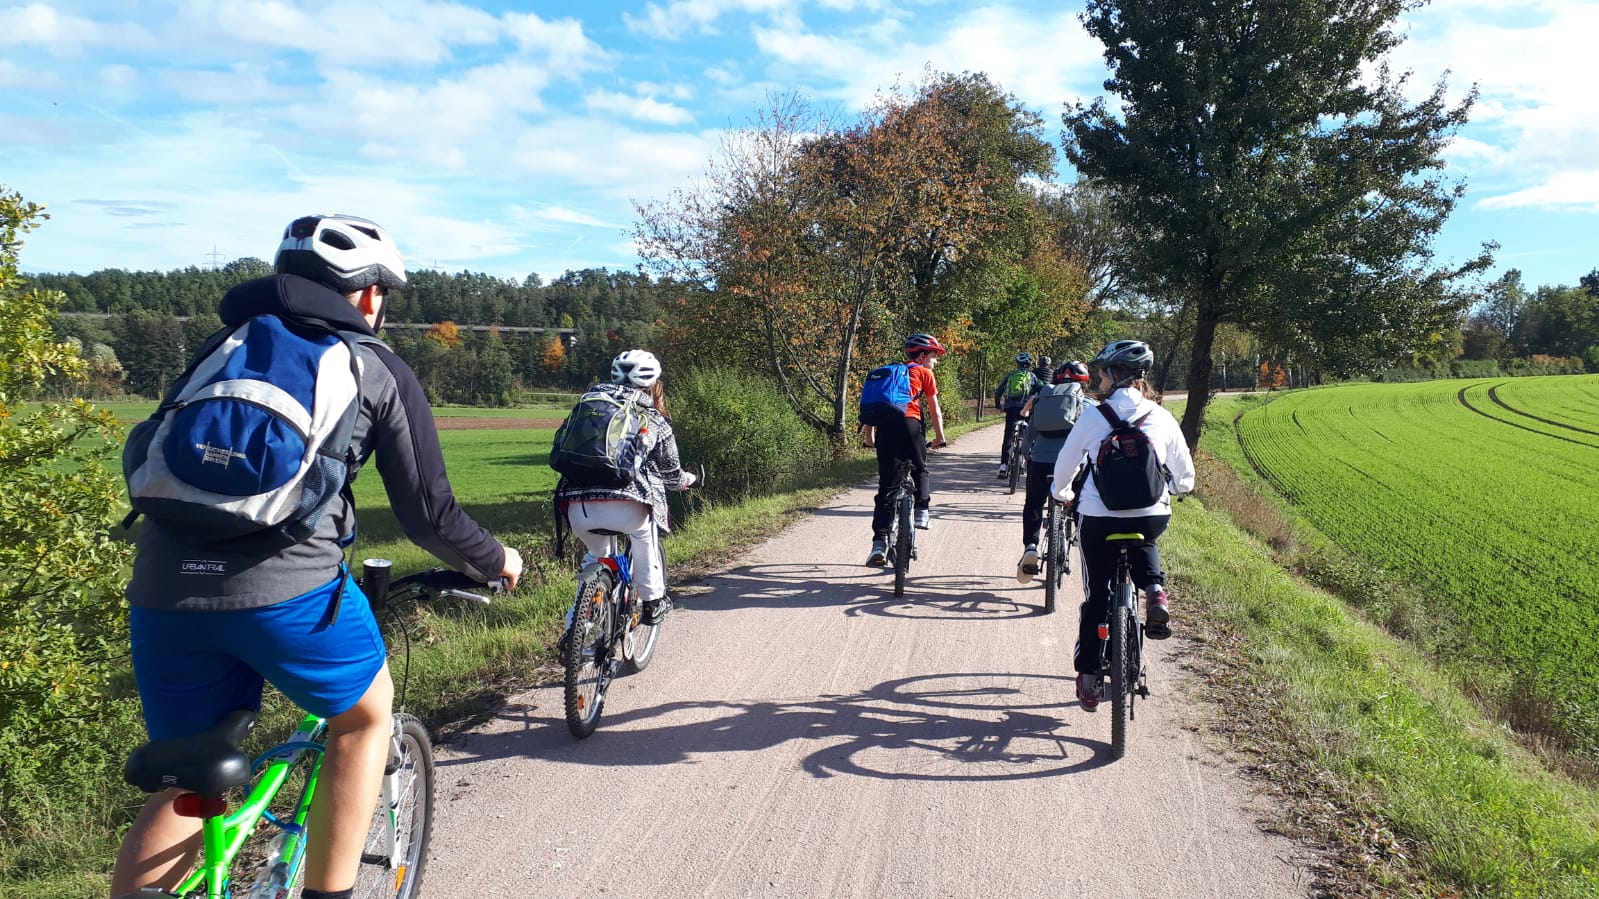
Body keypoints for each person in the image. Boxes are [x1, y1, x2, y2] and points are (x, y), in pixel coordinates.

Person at [112, 214, 525, 899]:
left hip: (162, 590)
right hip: (290, 594)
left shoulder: (224, 345)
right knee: (364, 718)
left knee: (186, 778)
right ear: (366, 294)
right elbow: (430, 512)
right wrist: (495, 559)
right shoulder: (374, 366)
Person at [1050, 339, 1194, 712]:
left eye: (1102, 373)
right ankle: (1155, 591)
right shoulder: (1161, 416)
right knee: (1146, 538)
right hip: (1151, 513)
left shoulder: (1094, 416)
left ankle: (1090, 678)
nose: (1099, 378)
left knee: (1097, 596)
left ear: (1114, 375)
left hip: (1099, 517)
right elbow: (1185, 475)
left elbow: (1067, 462)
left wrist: (1061, 492)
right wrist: (1177, 488)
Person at [555, 350, 696, 626]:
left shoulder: (588, 404)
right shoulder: (652, 416)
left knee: (596, 557)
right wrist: (687, 481)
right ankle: (654, 602)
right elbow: (670, 471)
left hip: (577, 508)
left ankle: (574, 628)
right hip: (627, 506)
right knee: (644, 538)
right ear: (654, 384)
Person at [863, 333, 949, 565]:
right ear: (922, 356)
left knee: (886, 486)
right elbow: (934, 410)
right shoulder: (925, 373)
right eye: (933, 356)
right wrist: (940, 437)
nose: (935, 361)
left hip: (885, 430)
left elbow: (877, 408)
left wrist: (869, 437)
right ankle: (922, 511)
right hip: (910, 425)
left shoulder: (889, 374)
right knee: (920, 469)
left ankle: (879, 543)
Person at [1015, 360, 1092, 582]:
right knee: (1082, 498)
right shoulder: (1088, 404)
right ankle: (1080, 535)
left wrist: (1028, 455)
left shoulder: (1042, 398)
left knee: (1034, 502)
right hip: (1072, 465)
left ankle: (1031, 545)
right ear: (1083, 382)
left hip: (1040, 462)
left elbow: (1029, 434)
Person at [993, 352, 1041, 479]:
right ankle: (1029, 462)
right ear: (1029, 365)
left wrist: (999, 405)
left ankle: (1003, 466)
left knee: (1008, 435)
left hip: (1011, 408)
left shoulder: (1011, 375)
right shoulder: (1033, 376)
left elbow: (999, 391)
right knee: (1030, 434)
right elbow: (1041, 390)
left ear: (1017, 364)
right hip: (1027, 408)